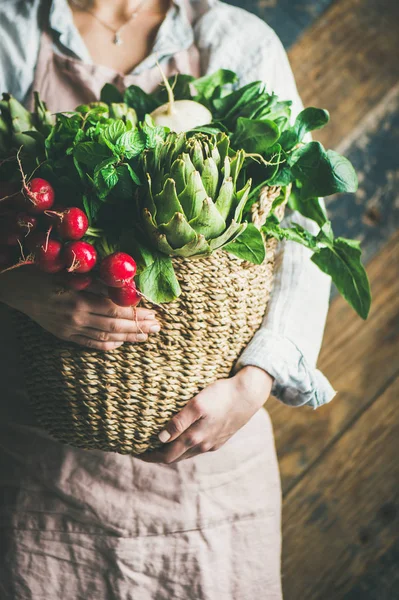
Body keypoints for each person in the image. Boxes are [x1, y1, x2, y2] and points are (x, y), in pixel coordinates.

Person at [0, 1, 335, 598]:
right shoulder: (11, 29)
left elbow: (304, 237)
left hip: (213, 460)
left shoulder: (234, 38)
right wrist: (18, 287)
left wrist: (254, 384)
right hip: (39, 464)